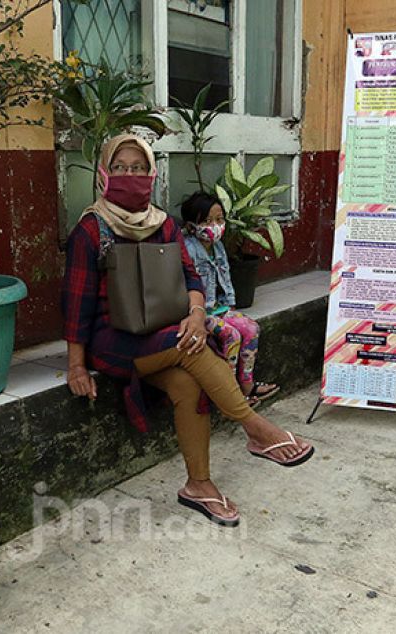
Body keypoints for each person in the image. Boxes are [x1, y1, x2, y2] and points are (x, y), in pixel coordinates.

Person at [62, 134, 315, 527]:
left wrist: (196, 316)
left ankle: (198, 485)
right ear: (104, 174)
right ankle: (255, 427)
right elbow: (76, 305)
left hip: (160, 333)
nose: (130, 175)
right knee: (188, 347)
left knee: (188, 384)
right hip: (110, 339)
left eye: (138, 168)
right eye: (120, 168)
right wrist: (76, 366)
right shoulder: (92, 230)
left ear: (151, 173)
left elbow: (191, 277)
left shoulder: (163, 225)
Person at [180, 191, 279, 406]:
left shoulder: (218, 247)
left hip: (219, 308)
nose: (215, 225)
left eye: (219, 219)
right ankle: (230, 393)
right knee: (231, 335)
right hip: (200, 312)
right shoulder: (187, 249)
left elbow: (224, 277)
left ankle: (246, 384)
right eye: (207, 221)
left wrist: (230, 306)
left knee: (251, 328)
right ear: (191, 225)